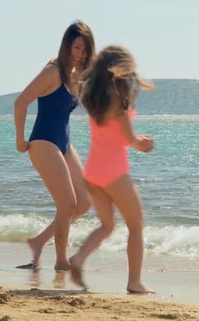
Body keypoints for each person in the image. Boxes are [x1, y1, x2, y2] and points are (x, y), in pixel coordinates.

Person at [68, 45, 155, 293]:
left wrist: (134, 137)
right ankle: (134, 282)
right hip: (114, 173)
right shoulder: (120, 99)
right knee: (136, 225)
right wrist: (143, 144)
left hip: (93, 172)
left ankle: (78, 259)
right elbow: (129, 139)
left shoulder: (95, 99)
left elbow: (112, 134)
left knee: (107, 226)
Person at [14, 20, 96, 271]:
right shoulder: (53, 71)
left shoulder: (77, 74)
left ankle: (39, 241)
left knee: (83, 203)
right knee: (67, 205)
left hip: (63, 142)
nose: (80, 54)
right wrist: (20, 139)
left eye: (85, 50)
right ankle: (61, 261)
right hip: (42, 141)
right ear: (67, 46)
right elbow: (21, 102)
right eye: (76, 48)